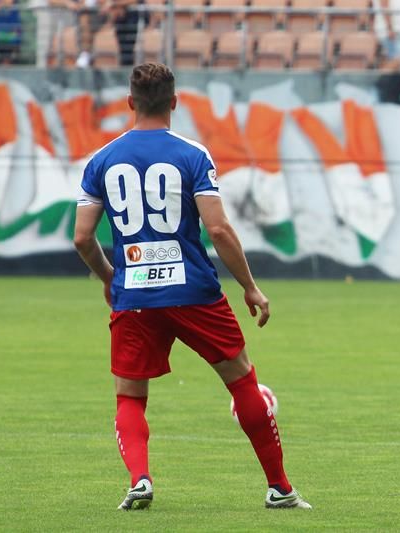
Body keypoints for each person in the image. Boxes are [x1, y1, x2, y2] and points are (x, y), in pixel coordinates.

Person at [73, 63, 311, 511]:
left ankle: (140, 479)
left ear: (130, 103)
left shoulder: (101, 160)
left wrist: (110, 278)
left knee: (130, 394)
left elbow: (83, 237)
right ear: (174, 103)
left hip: (134, 293)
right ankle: (279, 488)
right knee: (242, 380)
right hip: (195, 291)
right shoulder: (192, 154)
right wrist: (250, 286)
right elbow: (217, 229)